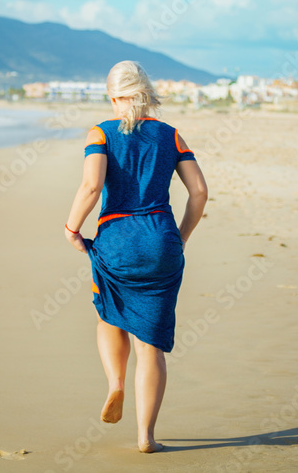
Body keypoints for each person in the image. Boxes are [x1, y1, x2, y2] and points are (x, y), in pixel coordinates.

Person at [64, 61, 208, 453]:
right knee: (151, 346)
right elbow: (199, 192)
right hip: (161, 241)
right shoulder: (171, 135)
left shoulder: (102, 132)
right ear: (146, 94)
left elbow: (92, 186)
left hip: (117, 241)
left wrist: (72, 227)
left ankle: (115, 384)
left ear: (114, 97)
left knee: (109, 313)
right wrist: (180, 237)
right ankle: (146, 437)